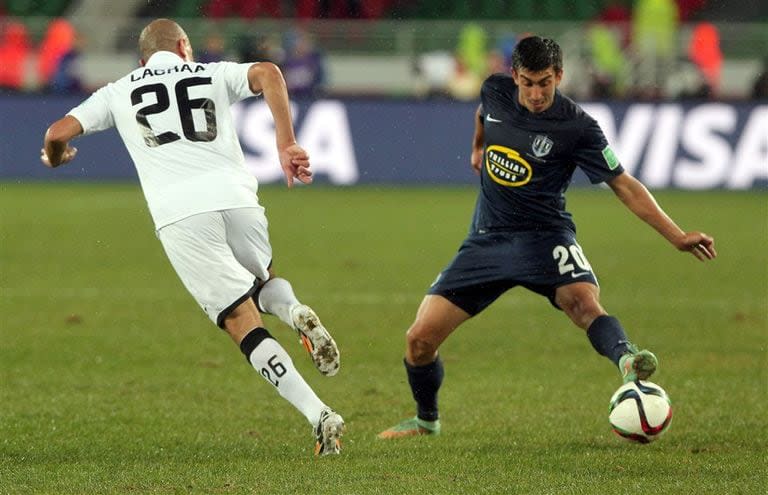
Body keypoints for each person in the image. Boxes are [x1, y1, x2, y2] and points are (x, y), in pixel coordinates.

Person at [378, 36, 716, 439]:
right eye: (527, 83)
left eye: (544, 83)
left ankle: (627, 360)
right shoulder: (496, 90)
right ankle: (426, 421)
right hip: (487, 239)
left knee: (583, 303)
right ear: (514, 77)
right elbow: (485, 113)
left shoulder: (578, 127)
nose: (536, 93)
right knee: (418, 340)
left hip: (546, 237)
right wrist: (478, 148)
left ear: (559, 75)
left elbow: (624, 185)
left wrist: (676, 236)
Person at [40, 18, 344, 456]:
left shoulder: (119, 90)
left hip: (181, 214)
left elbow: (56, 133)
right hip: (237, 199)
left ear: (142, 59)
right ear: (184, 46)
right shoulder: (210, 72)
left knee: (241, 321)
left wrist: (57, 157)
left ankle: (319, 415)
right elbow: (269, 74)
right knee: (263, 281)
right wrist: (286, 143)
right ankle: (294, 310)